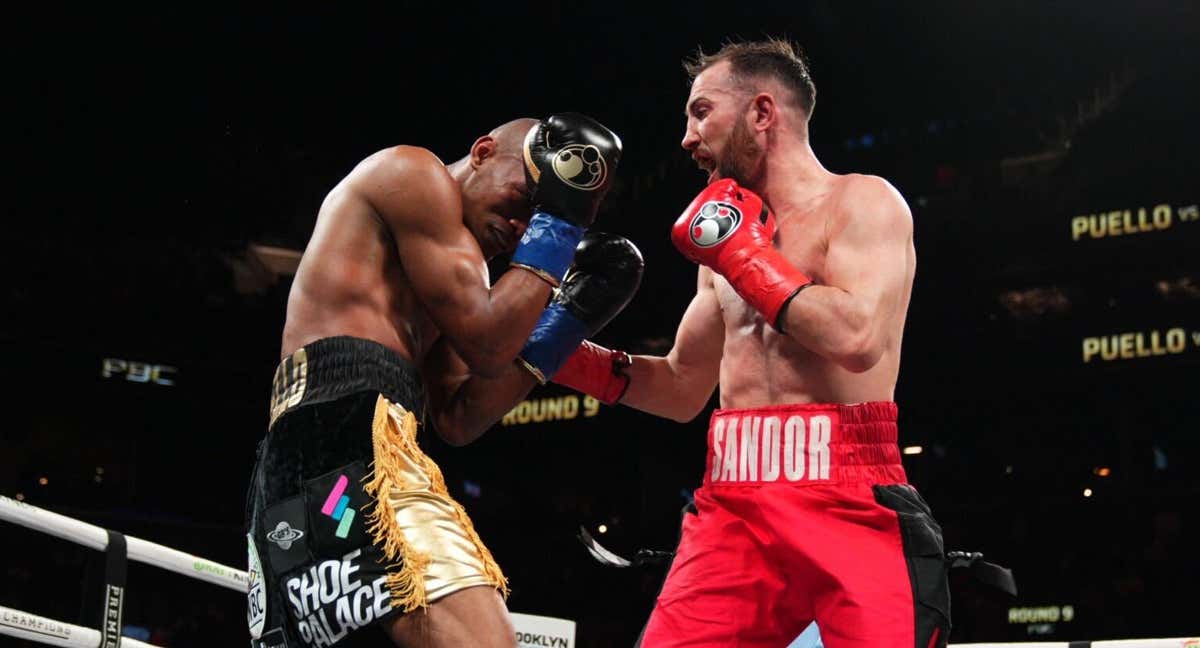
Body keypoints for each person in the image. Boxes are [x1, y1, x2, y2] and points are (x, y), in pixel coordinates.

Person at [551, 38, 949, 648]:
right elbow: (684, 387)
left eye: (701, 111)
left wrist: (745, 257)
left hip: (849, 488)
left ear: (762, 113)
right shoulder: (725, 241)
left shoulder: (861, 202)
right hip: (732, 503)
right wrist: (555, 350)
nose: (687, 136)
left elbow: (856, 336)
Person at [244, 113, 641, 648]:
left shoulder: (465, 279)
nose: (526, 230)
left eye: (539, 219)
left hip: (312, 465)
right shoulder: (413, 173)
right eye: (526, 200)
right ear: (481, 152)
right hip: (347, 435)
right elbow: (488, 342)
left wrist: (566, 323)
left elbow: (459, 415)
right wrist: (564, 223)